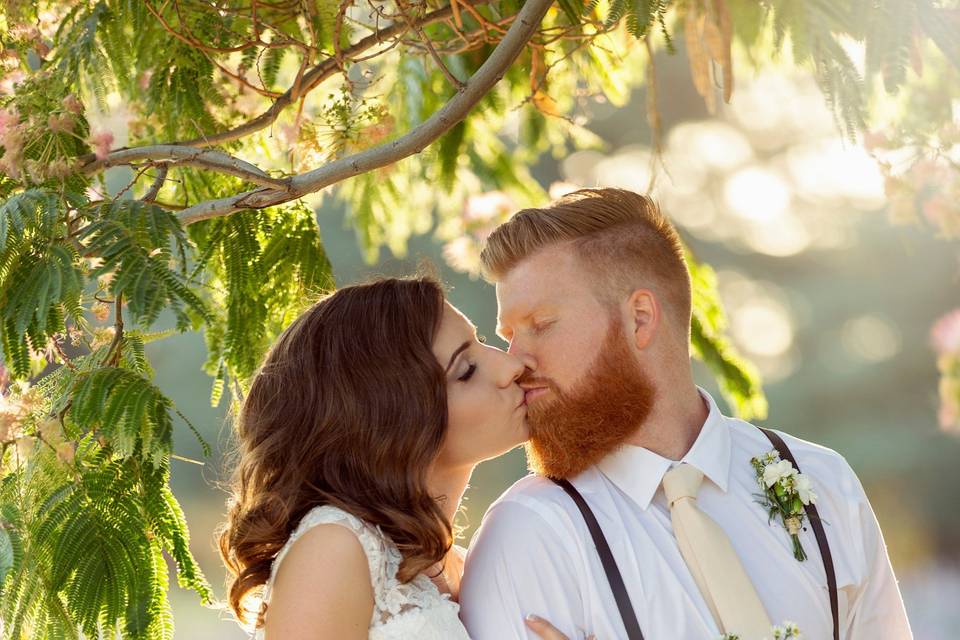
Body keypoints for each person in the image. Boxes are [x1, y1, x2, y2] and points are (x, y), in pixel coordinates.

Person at [459, 188, 913, 640]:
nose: (515, 360)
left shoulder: (825, 482)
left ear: (640, 317)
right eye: (509, 335)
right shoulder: (530, 535)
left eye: (540, 326)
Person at [217, 277, 565, 639]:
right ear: (390, 417)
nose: (511, 367)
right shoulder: (335, 548)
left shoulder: (460, 567)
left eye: (481, 345)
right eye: (466, 370)